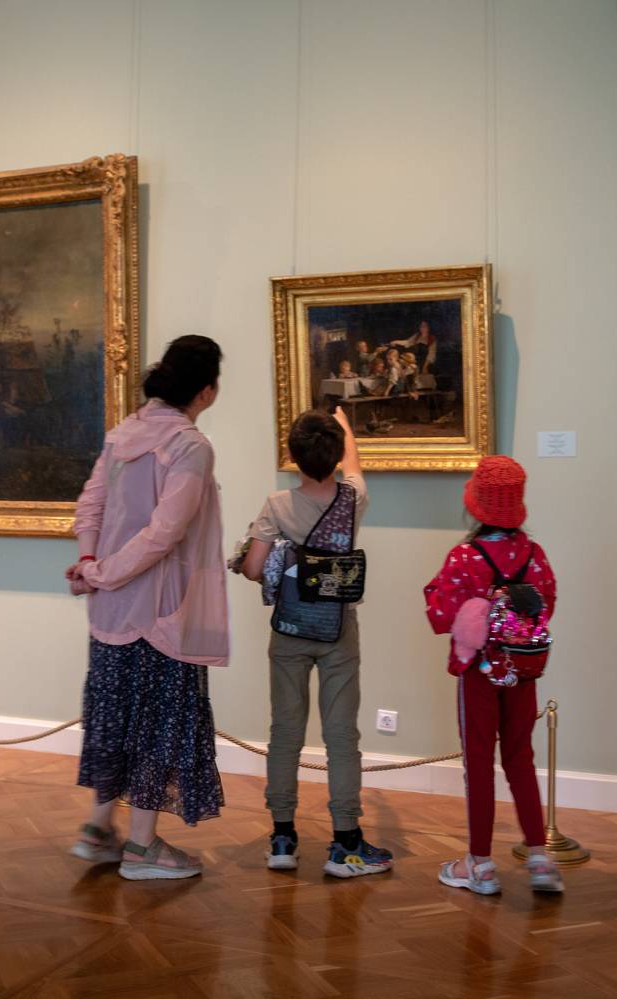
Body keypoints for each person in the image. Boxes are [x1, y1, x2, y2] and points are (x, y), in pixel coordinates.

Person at [65, 335, 229, 881]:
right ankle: (140, 847)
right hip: (160, 613)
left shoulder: (122, 435)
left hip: (110, 610)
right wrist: (102, 570)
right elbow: (165, 533)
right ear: (206, 391)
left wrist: (91, 563)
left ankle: (97, 830)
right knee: (158, 724)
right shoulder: (189, 447)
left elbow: (90, 506)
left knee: (114, 717)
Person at [236, 408, 393, 878]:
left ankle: (283, 838)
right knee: (341, 736)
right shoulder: (353, 498)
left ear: (293, 455)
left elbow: (252, 568)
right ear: (336, 452)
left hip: (289, 630)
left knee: (285, 731)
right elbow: (354, 465)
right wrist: (345, 427)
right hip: (337, 629)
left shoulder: (276, 504)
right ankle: (346, 842)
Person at [423, 456, 563, 896]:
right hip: (523, 673)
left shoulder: (464, 557)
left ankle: (480, 865)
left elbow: (440, 614)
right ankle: (539, 858)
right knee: (521, 758)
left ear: (476, 506)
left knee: (479, 764)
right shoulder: (534, 556)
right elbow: (547, 605)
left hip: (478, 675)